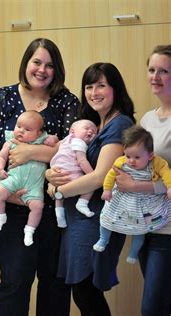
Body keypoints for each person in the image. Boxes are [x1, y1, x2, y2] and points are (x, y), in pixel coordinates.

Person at [0, 38, 79, 316]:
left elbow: (72, 151)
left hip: (55, 208)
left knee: (55, 284)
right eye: (37, 62)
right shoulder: (3, 97)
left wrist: (30, 153)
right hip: (10, 209)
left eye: (49, 65)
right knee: (14, 282)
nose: (42, 70)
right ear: (26, 63)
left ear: (57, 69)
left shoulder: (67, 101)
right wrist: (3, 190)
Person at [45, 62, 135, 315]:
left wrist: (60, 191)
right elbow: (69, 159)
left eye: (101, 85)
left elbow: (99, 177)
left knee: (86, 291)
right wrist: (50, 174)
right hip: (81, 219)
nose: (94, 92)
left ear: (115, 89)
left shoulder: (120, 125)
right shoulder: (97, 125)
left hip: (97, 219)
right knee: (83, 291)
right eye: (89, 86)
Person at [113, 45, 171, 316]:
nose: (155, 76)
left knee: (152, 309)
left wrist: (138, 187)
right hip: (146, 227)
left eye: (164, 71)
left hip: (168, 230)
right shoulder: (148, 118)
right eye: (151, 70)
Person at [93, 125, 171, 264]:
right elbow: (111, 175)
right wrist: (107, 189)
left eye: (137, 157)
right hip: (123, 199)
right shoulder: (121, 162)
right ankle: (103, 239)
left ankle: (134, 253)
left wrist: (170, 187)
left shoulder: (158, 163)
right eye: (128, 156)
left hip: (145, 201)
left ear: (150, 155)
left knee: (140, 229)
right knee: (106, 218)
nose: (131, 161)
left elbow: (167, 175)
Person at [0, 110, 58, 243]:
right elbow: (1, 156)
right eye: (18, 126)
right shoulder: (11, 141)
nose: (20, 131)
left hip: (34, 185)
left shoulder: (42, 140)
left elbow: (57, 143)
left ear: (38, 133)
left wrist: (53, 139)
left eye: (27, 129)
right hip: (14, 179)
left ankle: (29, 230)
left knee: (38, 206)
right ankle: (0, 216)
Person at [50, 119, 97, 227]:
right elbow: (82, 160)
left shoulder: (66, 140)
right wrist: (92, 174)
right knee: (90, 186)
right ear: (72, 131)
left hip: (58, 172)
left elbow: (55, 145)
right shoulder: (79, 142)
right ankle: (82, 203)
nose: (90, 131)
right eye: (86, 128)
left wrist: (51, 139)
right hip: (72, 173)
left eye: (94, 131)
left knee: (59, 195)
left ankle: (59, 215)